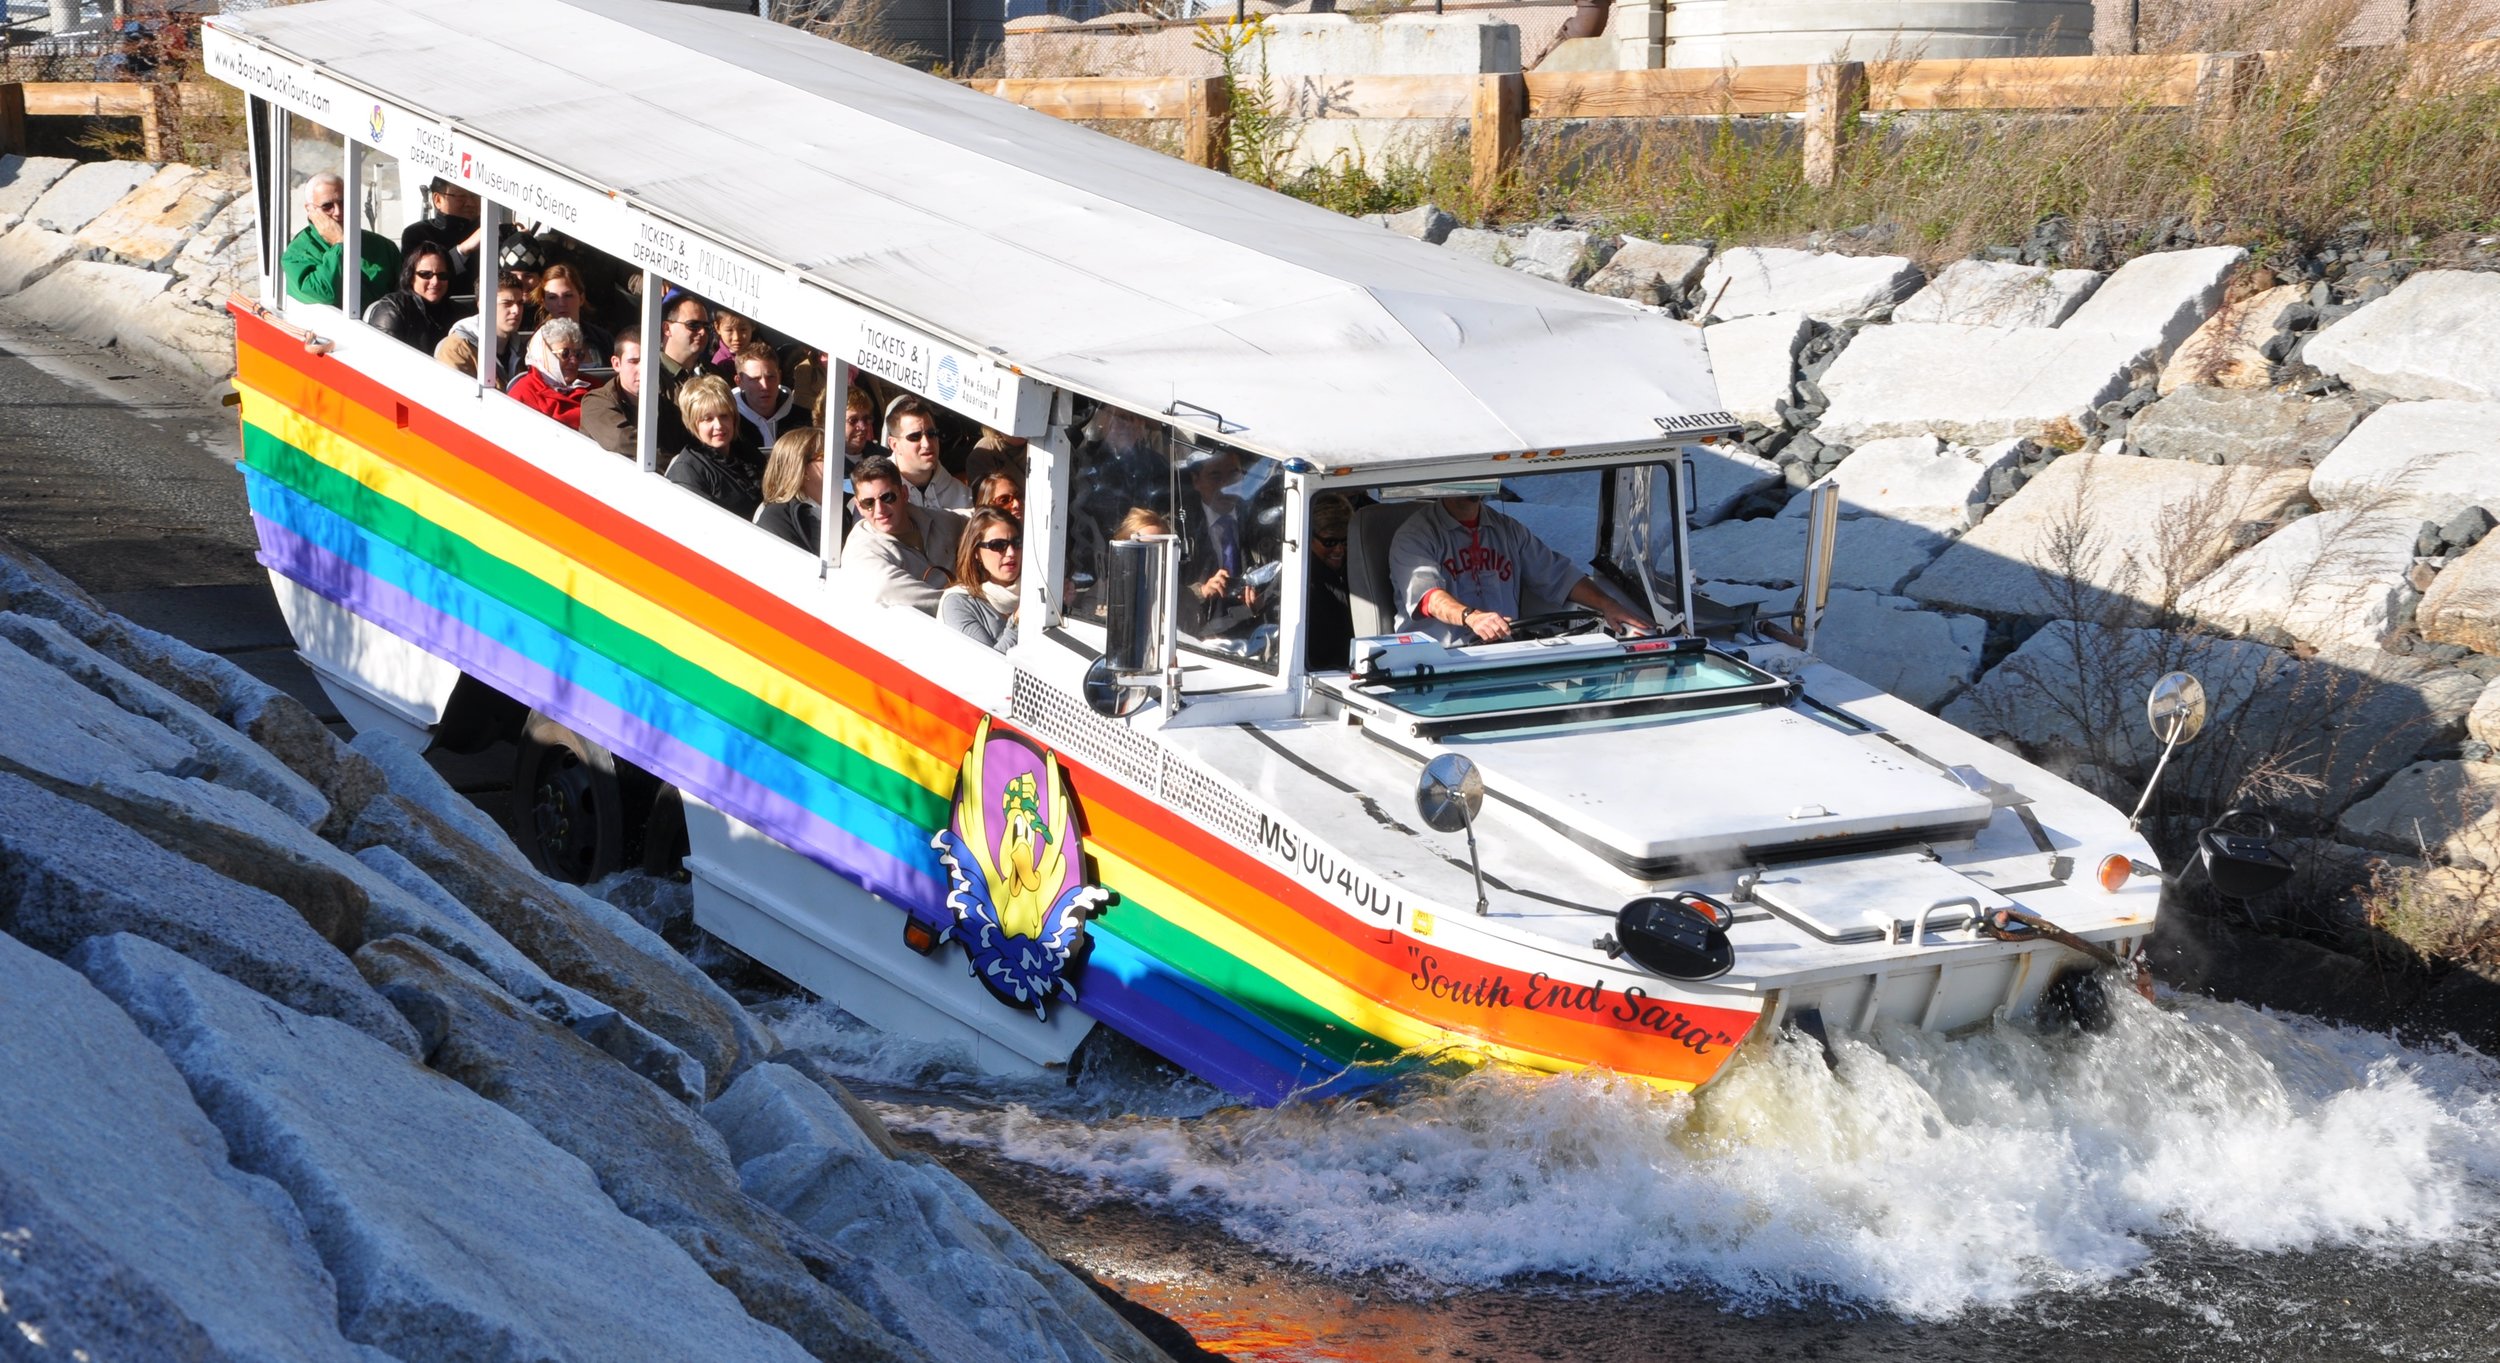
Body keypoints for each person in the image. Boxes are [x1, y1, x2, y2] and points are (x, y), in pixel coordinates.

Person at [1389, 491, 1649, 645]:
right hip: (1438, 661)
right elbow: (1428, 598)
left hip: (1503, 655)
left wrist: (1607, 604)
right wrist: (1472, 617)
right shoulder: (1415, 535)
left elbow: (1558, 575)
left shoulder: (1507, 530)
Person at [843, 455, 964, 610]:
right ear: (858, 507)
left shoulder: (936, 520)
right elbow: (899, 594)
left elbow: (972, 521)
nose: (879, 510)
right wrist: (972, 607)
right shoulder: (861, 553)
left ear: (904, 494)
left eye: (887, 497)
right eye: (869, 503)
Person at [282, 172, 399, 308]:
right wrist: (339, 243)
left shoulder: (383, 246)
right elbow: (324, 293)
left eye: (343, 203)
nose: (338, 212)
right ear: (310, 209)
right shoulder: (297, 254)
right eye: (327, 206)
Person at [664, 375, 762, 518]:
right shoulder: (687, 469)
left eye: (724, 416)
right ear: (693, 423)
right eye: (707, 419)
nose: (719, 426)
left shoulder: (749, 453)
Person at [940, 507, 1022, 652]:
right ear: (976, 552)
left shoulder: (1038, 589)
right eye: (998, 545)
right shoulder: (958, 603)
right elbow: (985, 667)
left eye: (1017, 543)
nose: (1011, 552)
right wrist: (1017, 623)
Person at [361, 245, 461, 354]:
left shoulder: (459, 312)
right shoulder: (393, 309)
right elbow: (386, 357)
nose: (435, 281)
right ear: (410, 276)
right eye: (426, 274)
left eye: (442, 275)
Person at [654, 292, 718, 455]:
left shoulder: (717, 375)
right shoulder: (649, 376)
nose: (702, 332)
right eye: (693, 325)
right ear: (667, 328)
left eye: (706, 326)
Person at [399, 177, 483, 296]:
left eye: (475, 195)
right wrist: (463, 250)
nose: (470, 203)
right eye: (461, 196)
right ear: (438, 200)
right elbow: (420, 279)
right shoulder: (418, 234)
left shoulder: (493, 232)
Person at [446, 270, 529, 388]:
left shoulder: (523, 349)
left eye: (520, 303)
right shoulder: (457, 348)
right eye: (507, 303)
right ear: (483, 305)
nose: (516, 310)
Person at [752, 428, 828, 554]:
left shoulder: (842, 507)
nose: (836, 462)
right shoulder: (776, 516)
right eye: (826, 456)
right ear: (801, 468)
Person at [508, 319, 594, 429]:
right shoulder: (523, 394)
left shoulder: (593, 387)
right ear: (544, 355)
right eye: (565, 353)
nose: (574, 361)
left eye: (578, 354)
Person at [887, 397, 971, 511]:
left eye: (932, 434)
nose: (926, 444)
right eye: (915, 436)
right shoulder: (876, 495)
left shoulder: (964, 498)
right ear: (894, 445)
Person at [1304, 493, 1356, 671]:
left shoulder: (1359, 568)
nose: (1339, 549)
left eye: (1345, 541)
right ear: (1309, 538)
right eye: (1330, 542)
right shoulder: (1303, 585)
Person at [578, 331, 642, 458]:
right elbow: (622, 441)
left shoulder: (664, 398)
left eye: (649, 361)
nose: (643, 368)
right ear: (616, 364)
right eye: (634, 361)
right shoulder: (595, 403)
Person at [730, 342, 803, 453]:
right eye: (755, 379)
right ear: (739, 381)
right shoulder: (730, 423)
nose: (765, 386)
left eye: (771, 377)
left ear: (779, 377)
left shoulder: (803, 421)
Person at [532, 263, 610, 364]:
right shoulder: (537, 342)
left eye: (568, 296)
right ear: (544, 303)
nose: (561, 303)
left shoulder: (602, 339)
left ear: (581, 298)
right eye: (552, 297)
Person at [840, 386, 887, 465]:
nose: (863, 427)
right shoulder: (821, 465)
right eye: (853, 420)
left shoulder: (883, 456)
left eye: (866, 419)